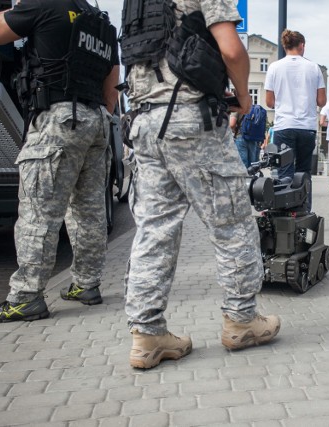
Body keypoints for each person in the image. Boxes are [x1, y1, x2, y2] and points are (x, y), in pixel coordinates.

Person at [120, 0, 280, 369]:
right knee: (233, 224)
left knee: (154, 230)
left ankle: (147, 335)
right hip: (193, 120)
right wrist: (242, 96)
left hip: (144, 123)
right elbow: (231, 49)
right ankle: (241, 322)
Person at [0, 0, 120, 323]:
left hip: (58, 117)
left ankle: (26, 296)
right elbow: (112, 79)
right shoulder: (99, 20)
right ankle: (86, 284)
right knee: (88, 210)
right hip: (95, 118)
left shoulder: (44, 5)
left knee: (39, 210)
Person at [265, 29, 326, 205]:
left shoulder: (274, 67)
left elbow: (269, 102)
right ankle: (304, 212)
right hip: (307, 127)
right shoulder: (313, 67)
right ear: (302, 46)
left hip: (284, 126)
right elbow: (321, 101)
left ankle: (286, 214)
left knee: (284, 172)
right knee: (304, 172)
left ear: (285, 46)